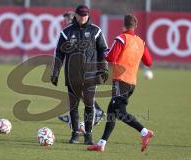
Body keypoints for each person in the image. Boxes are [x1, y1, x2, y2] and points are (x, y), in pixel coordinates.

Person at [87, 14, 154, 152]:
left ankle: (144, 132)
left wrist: (103, 51)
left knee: (119, 112)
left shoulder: (121, 38)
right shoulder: (141, 42)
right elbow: (149, 62)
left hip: (121, 81)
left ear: (123, 25)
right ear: (135, 26)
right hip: (131, 83)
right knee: (111, 112)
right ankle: (101, 144)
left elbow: (111, 57)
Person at [51, 5, 108, 145]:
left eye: (85, 15)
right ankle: (75, 134)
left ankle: (88, 135)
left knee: (89, 105)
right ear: (76, 15)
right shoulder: (66, 32)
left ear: (88, 15)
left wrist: (104, 68)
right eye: (81, 15)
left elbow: (103, 51)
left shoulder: (96, 31)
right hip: (72, 75)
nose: (83, 17)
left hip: (91, 75)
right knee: (73, 106)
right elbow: (59, 53)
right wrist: (55, 72)